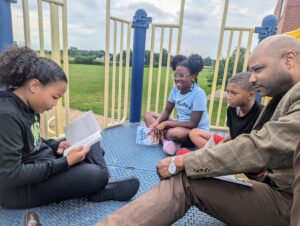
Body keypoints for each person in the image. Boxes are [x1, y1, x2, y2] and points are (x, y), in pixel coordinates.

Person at [96, 34, 300, 226]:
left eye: (257, 69)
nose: (252, 79)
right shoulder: (283, 97)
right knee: (188, 173)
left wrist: (185, 161)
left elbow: (260, 147)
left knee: (186, 177)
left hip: (287, 206)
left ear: (289, 59)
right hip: (274, 188)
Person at [0, 47, 140, 209]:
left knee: (91, 142)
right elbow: (10, 175)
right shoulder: (7, 115)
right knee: (95, 174)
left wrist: (54, 145)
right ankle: (102, 182)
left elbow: (32, 141)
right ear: (34, 86)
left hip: (42, 163)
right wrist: (65, 162)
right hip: (20, 191)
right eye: (54, 97)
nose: (55, 104)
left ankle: (99, 182)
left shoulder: (28, 104)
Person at [144, 54, 210, 155]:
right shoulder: (175, 89)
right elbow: (167, 111)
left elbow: (193, 124)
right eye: (175, 75)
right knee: (148, 115)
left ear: (192, 77)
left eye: (182, 75)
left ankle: (168, 139)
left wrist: (165, 124)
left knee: (173, 133)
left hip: (194, 131)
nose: (177, 79)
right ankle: (166, 142)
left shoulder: (198, 94)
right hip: (179, 123)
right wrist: (157, 123)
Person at [189, 72, 263, 148]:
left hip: (244, 150)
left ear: (250, 95)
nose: (228, 97)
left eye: (234, 93)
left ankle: (212, 155)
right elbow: (232, 134)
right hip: (232, 143)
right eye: (228, 92)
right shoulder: (231, 109)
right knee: (194, 133)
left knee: (184, 154)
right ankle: (212, 153)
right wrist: (222, 143)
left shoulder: (261, 114)